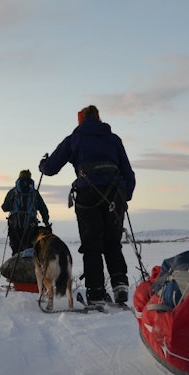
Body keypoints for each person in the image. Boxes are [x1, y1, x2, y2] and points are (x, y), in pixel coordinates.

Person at [38, 105, 136, 305]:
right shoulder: (114, 139)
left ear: (81, 119)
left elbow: (51, 168)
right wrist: (124, 197)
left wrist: (43, 163)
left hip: (88, 195)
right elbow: (129, 173)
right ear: (98, 118)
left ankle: (96, 291)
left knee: (91, 244)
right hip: (114, 196)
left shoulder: (76, 138)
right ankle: (119, 285)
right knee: (112, 242)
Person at [1, 169, 51, 254]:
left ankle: (16, 266)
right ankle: (29, 266)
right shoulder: (35, 193)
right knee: (29, 250)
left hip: (15, 226)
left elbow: (5, 208)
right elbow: (43, 209)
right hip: (31, 227)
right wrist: (46, 222)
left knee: (16, 251)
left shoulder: (13, 192)